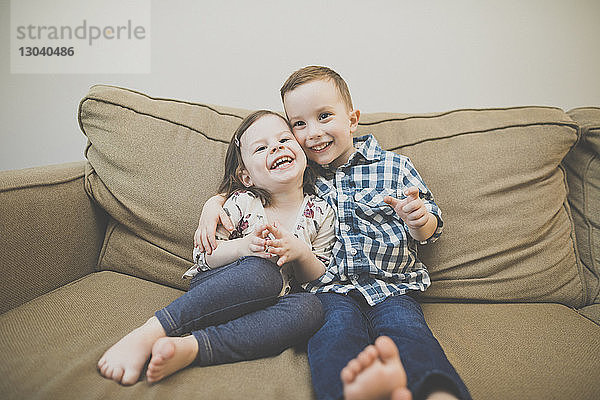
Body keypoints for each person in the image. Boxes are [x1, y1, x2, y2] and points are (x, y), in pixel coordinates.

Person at [196, 67, 471, 400]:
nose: (312, 133)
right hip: (329, 291)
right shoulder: (299, 170)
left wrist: (418, 219)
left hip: (393, 288)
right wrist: (214, 204)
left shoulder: (394, 166)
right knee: (333, 339)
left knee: (409, 335)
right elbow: (255, 181)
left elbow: (431, 229)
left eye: (324, 116)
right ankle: (351, 392)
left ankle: (437, 392)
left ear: (352, 119)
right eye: (299, 124)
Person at [97, 110, 336, 385]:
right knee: (263, 274)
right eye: (261, 147)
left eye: (284, 139)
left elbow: (317, 276)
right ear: (246, 177)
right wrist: (243, 247)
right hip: (221, 290)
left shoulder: (320, 212)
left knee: (310, 308)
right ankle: (154, 330)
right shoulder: (241, 203)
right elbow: (203, 256)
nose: (277, 147)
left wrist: (302, 253)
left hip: (271, 306)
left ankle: (192, 348)